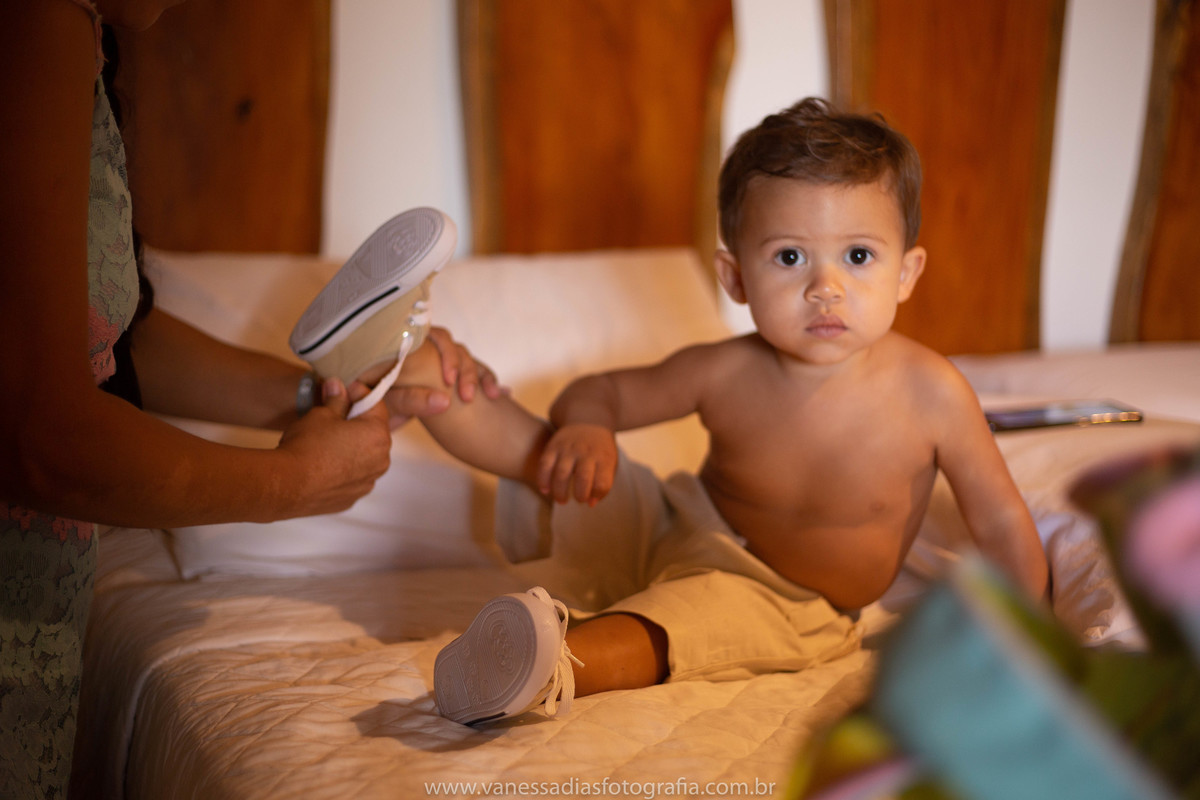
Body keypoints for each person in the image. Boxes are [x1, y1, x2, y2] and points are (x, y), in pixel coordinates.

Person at [384, 97, 1050, 725]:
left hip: (788, 601)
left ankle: (550, 663)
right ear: (735, 279)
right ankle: (425, 381)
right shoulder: (726, 369)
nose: (826, 287)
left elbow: (998, 519)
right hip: (679, 523)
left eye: (858, 255)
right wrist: (587, 429)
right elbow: (600, 394)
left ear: (905, 273)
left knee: (678, 626)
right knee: (559, 460)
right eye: (790, 256)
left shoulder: (932, 393)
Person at [0, 2, 496, 795]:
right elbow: (36, 428)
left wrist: (320, 393)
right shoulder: (33, 26)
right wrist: (291, 485)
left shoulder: (84, 44)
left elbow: (111, 342)